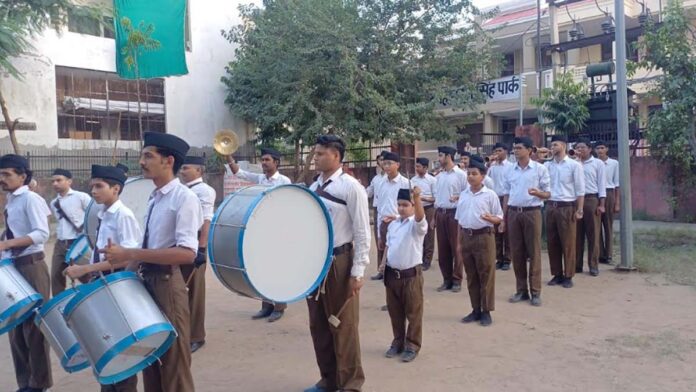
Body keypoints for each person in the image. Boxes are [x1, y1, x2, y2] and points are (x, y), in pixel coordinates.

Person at [100, 132, 201, 392]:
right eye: (142, 156)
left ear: (168, 161)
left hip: (168, 283)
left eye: (148, 156)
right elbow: (147, 244)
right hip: (147, 282)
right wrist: (121, 280)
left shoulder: (184, 198)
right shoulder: (155, 196)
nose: (141, 162)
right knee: (150, 360)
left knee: (174, 366)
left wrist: (131, 254)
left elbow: (187, 253)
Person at [64, 164, 140, 392]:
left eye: (99, 186)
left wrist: (85, 270)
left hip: (117, 285)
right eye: (92, 187)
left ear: (116, 188)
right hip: (103, 284)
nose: (94, 191)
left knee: (123, 349)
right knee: (106, 343)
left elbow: (128, 257)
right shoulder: (103, 214)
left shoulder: (123, 215)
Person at [305, 135, 370, 392]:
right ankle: (328, 380)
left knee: (342, 325)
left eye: (321, 153)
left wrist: (358, 271)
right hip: (314, 263)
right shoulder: (313, 188)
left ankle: (351, 384)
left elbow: (362, 231)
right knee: (319, 325)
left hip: (340, 262)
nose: (316, 157)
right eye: (316, 152)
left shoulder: (351, 187)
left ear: (336, 155)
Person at [0, 154, 52, 392]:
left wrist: (8, 245)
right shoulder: (11, 199)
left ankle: (39, 383)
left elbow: (42, 233)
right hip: (14, 266)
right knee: (15, 324)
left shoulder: (31, 199)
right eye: (0, 174)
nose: (2, 179)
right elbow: (13, 231)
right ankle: (25, 382)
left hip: (32, 266)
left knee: (34, 326)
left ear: (23, 176)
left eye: (7, 174)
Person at [226, 147, 291, 321]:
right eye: (262, 160)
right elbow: (239, 173)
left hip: (278, 229)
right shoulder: (260, 178)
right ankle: (266, 305)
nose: (263, 163)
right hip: (261, 229)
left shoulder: (284, 181)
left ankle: (279, 306)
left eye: (267, 160)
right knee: (263, 268)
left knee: (278, 269)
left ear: (276, 162)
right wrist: (228, 156)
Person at [500, 137, 550, 307]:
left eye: (519, 148)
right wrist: (504, 217)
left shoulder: (539, 169)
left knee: (534, 252)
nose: (516, 151)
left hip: (532, 212)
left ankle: (535, 292)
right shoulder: (510, 171)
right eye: (514, 148)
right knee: (517, 253)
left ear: (529, 150)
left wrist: (538, 193)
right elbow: (507, 194)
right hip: (514, 212)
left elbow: (548, 193)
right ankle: (521, 290)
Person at [379, 186, 426, 363]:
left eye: (405, 205)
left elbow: (421, 218)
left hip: (411, 276)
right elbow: (389, 246)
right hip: (392, 275)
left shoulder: (416, 225)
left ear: (413, 206)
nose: (401, 208)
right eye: (399, 204)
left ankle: (412, 345)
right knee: (395, 312)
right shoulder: (393, 225)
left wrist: (418, 198)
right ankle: (397, 341)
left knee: (413, 312)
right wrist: (384, 263)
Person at [455, 159, 503, 326]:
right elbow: (459, 220)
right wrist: (459, 243)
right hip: (466, 237)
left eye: (474, 174)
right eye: (468, 173)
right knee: (472, 275)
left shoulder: (490, 195)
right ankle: (475, 309)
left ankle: (486, 310)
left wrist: (492, 218)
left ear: (483, 176)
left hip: (484, 237)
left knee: (486, 274)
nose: (470, 177)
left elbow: (499, 217)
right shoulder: (464, 194)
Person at [179, 156, 217, 351]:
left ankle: (196, 336)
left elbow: (206, 220)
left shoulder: (204, 191)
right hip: (179, 245)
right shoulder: (181, 189)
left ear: (198, 171)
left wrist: (201, 249)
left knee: (194, 292)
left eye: (186, 168)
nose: (182, 171)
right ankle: (183, 332)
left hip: (194, 245)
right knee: (180, 290)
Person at [544, 135, 585, 289]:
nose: (552, 147)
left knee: (568, 242)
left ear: (563, 145)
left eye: (555, 144)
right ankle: (557, 274)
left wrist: (579, 209)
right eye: (551, 145)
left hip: (567, 206)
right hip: (551, 206)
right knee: (552, 242)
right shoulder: (547, 166)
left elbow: (580, 190)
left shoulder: (574, 165)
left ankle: (568, 275)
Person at [49, 168, 91, 295]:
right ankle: (58, 306)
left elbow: (92, 216)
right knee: (56, 276)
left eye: (59, 180)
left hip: (78, 243)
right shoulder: (54, 203)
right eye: (53, 181)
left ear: (69, 181)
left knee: (86, 277)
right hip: (61, 244)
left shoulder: (81, 197)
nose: (55, 183)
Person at [433, 146, 467, 293]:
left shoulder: (461, 175)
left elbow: (467, 195)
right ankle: (446, 279)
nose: (439, 159)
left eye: (441, 156)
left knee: (457, 248)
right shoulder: (439, 176)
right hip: (441, 213)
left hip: (455, 214)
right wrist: (434, 217)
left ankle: (457, 279)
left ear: (448, 156)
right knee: (443, 249)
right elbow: (437, 199)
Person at [372, 151, 410, 281]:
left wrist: (398, 217)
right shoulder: (381, 183)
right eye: (384, 163)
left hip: (399, 222)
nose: (386, 166)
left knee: (397, 250)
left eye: (389, 163)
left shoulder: (405, 183)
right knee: (382, 247)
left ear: (398, 165)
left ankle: (397, 274)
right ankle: (382, 272)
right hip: (384, 221)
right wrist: (379, 232)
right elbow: (380, 207)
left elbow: (410, 207)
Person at [574, 139, 606, 276]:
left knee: (593, 234)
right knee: (576, 235)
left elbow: (602, 184)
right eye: (577, 147)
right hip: (575, 200)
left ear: (589, 149)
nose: (580, 150)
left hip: (591, 199)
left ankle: (593, 265)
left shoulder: (598, 164)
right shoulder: (573, 163)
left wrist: (602, 204)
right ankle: (576, 265)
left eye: (582, 147)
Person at [487, 143, 513, 271]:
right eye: (495, 150)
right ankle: (499, 258)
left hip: (506, 198)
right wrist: (488, 164)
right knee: (496, 230)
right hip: (495, 198)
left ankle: (508, 259)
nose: (497, 153)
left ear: (506, 152)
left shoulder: (511, 167)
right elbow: (487, 180)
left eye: (500, 150)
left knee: (506, 230)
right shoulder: (492, 167)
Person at [594, 141, 620, 265]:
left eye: (602, 148)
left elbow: (617, 184)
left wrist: (617, 202)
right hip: (595, 194)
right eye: (598, 148)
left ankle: (609, 254)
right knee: (596, 226)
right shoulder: (593, 163)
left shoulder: (614, 163)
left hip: (609, 193)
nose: (600, 150)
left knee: (608, 225)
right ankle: (600, 254)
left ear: (607, 149)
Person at [410, 158, 436, 271]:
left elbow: (435, 198)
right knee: (417, 233)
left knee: (429, 234)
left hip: (429, 208)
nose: (416, 169)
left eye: (419, 167)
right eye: (416, 166)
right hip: (417, 208)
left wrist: (422, 197)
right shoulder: (413, 180)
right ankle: (418, 258)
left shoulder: (432, 180)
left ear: (425, 168)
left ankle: (427, 260)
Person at [366, 152, 387, 266]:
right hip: (377, 209)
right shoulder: (376, 179)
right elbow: (369, 192)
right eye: (380, 160)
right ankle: (381, 268)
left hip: (390, 211)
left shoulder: (393, 178)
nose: (382, 162)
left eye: (384, 160)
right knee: (379, 239)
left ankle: (391, 268)